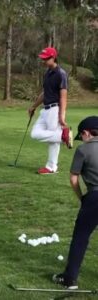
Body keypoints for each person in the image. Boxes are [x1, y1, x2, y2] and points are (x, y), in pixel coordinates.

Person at [53, 116, 98, 289]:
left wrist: (82, 198)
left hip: (94, 198)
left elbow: (73, 179)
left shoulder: (83, 150)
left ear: (86, 133)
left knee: (81, 237)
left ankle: (69, 278)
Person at [28, 47, 73, 175]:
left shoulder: (61, 74)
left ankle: (51, 167)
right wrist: (33, 106)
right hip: (45, 110)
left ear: (53, 58)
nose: (43, 61)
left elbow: (63, 96)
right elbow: (44, 93)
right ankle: (62, 136)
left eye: (46, 59)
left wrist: (62, 116)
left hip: (54, 109)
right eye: (43, 59)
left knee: (52, 142)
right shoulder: (47, 73)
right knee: (35, 133)